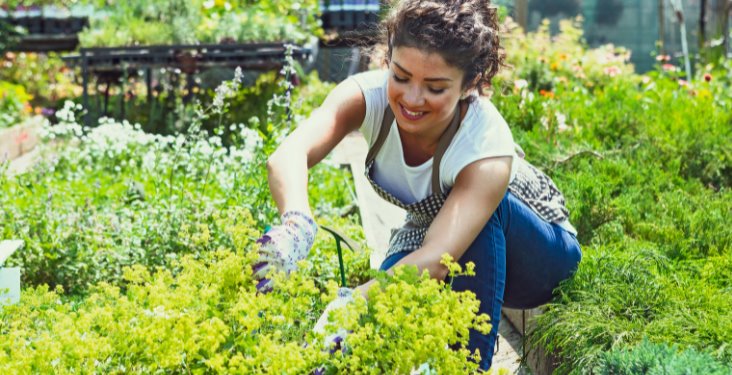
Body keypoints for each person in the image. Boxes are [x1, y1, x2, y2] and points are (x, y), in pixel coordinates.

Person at [252, 0, 582, 370]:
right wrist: (297, 224)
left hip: (539, 257)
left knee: (407, 276)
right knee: (382, 317)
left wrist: (353, 302)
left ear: (470, 84)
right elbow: (288, 155)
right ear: (387, 59)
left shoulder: (485, 144)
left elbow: (438, 258)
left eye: (435, 88)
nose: (411, 98)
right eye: (401, 76)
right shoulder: (366, 97)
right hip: (435, 235)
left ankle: (464, 367)